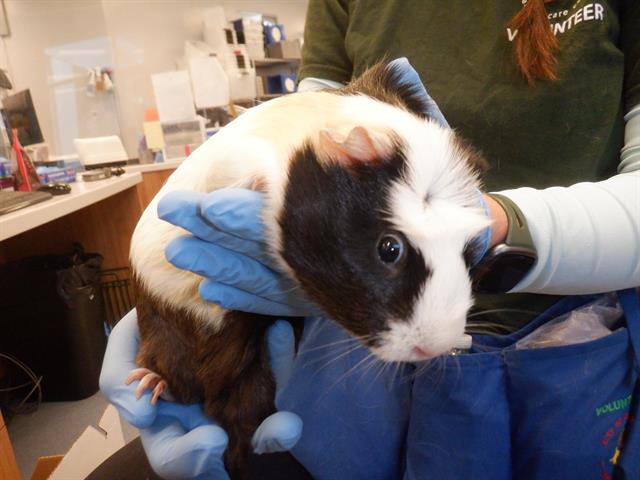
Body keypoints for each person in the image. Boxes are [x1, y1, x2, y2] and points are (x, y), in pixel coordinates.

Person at [100, 0, 640, 478]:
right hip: (345, 355)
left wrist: (494, 221)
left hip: (571, 347)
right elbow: (314, 128)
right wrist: (185, 304)